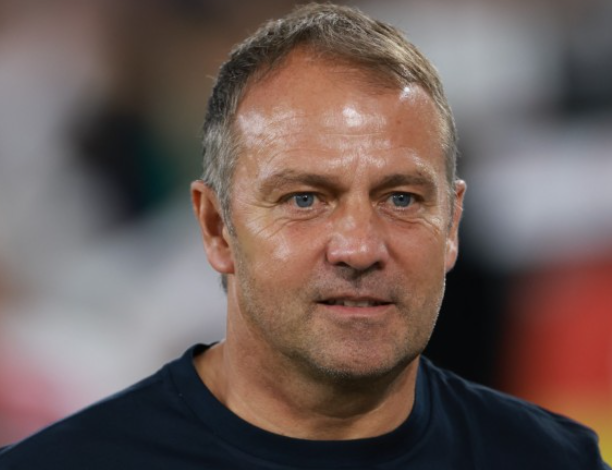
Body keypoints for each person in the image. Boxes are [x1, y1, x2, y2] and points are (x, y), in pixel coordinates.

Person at [0, 3, 609, 469]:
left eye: (401, 198)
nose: (359, 248)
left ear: (451, 225)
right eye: (305, 200)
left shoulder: (554, 461)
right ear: (215, 227)